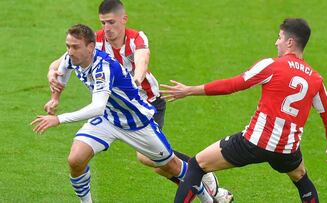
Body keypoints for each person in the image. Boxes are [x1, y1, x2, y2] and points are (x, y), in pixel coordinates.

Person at [45, 0, 233, 202]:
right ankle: (201, 179)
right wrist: (52, 74)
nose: (107, 28)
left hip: (146, 103)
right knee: (77, 158)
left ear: (123, 19)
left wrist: (136, 78)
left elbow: (142, 59)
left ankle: (201, 174)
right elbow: (63, 61)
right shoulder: (94, 43)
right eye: (102, 23)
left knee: (151, 160)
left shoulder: (136, 38)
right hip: (112, 111)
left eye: (111, 22)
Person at [161, 18, 327, 203]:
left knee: (196, 165)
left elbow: (233, 85)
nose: (276, 42)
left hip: (254, 143)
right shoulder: (316, 80)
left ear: (290, 42)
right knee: (302, 179)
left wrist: (190, 90)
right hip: (287, 150)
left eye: (279, 37)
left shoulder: (272, 65)